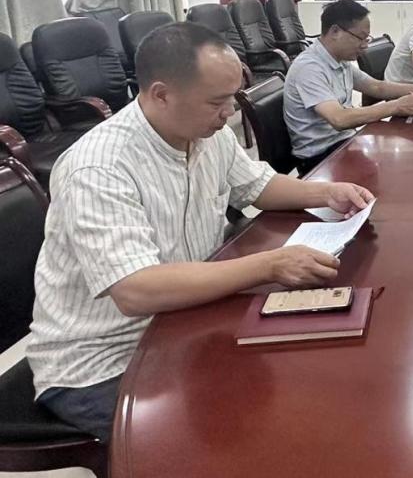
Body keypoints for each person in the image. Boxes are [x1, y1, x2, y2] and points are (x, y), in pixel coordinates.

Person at [26, 23, 375, 443]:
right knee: (217, 437)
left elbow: (257, 186)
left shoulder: (206, 134)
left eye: (232, 97)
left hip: (187, 319)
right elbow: (136, 290)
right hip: (105, 359)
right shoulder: (99, 168)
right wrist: (270, 264)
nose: (229, 113)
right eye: (216, 102)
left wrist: (326, 192)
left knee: (302, 380)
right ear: (161, 94)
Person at [284, 0, 413, 174]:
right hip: (320, 158)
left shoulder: (339, 60)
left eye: (367, 38)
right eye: (360, 38)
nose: (365, 45)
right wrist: (396, 106)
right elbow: (339, 119)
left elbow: (376, 87)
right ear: (335, 31)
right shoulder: (309, 67)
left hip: (344, 142)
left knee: (409, 157)